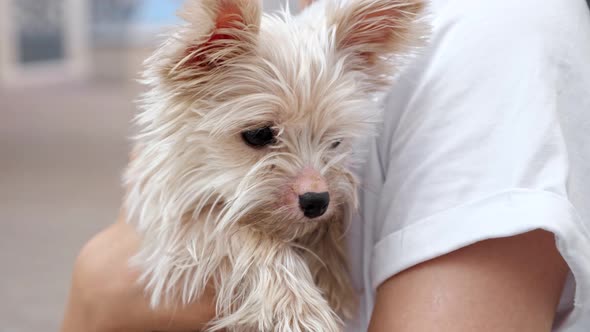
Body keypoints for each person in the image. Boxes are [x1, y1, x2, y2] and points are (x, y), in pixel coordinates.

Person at [61, 0, 590, 331]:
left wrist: (96, 295)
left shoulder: (492, 28)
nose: (314, 183)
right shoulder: (303, 27)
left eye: (335, 144)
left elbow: (118, 278)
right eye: (260, 137)